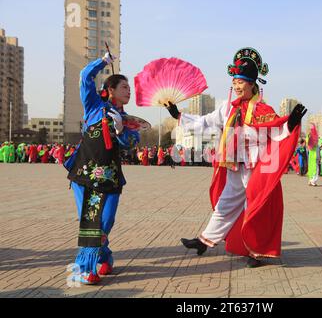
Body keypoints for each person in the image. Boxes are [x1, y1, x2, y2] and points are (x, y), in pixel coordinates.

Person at [167, 47, 307, 267]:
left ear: (252, 83)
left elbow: (277, 133)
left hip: (256, 166)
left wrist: (290, 123)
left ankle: (257, 252)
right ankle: (205, 240)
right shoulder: (227, 108)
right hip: (234, 164)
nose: (236, 85)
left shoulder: (263, 109)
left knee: (255, 207)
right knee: (226, 204)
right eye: (234, 81)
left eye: (240, 81)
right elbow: (206, 122)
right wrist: (178, 115)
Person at [66, 52, 140, 285]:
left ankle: (104, 255)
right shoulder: (94, 105)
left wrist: (121, 130)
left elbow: (131, 144)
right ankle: (83, 269)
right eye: (124, 87)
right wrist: (103, 61)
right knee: (92, 222)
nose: (129, 91)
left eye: (130, 88)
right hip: (85, 174)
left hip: (111, 176)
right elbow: (84, 77)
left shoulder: (129, 120)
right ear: (111, 89)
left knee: (106, 221)